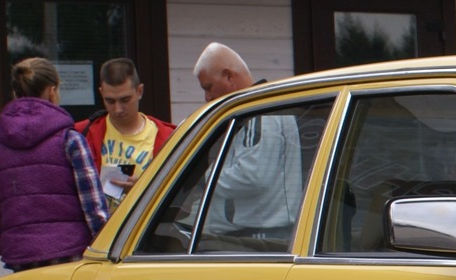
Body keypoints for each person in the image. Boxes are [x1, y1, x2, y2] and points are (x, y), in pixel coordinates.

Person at [0, 58, 110, 280]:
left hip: (22, 265)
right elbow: (95, 212)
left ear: (16, 92)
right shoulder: (71, 141)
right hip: (71, 262)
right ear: (51, 90)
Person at [192, 43, 302, 239]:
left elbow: (251, 176)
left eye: (208, 87)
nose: (207, 97)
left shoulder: (257, 113)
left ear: (228, 76)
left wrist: (203, 176)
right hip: (265, 233)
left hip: (258, 237)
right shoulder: (260, 109)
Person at [74, 58, 174, 205]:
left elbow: (182, 200)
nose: (118, 109)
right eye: (110, 101)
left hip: (143, 226)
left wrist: (144, 189)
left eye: (125, 100)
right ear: (101, 94)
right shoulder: (82, 133)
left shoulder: (168, 137)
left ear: (139, 91)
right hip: (100, 227)